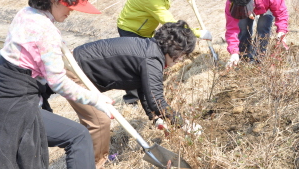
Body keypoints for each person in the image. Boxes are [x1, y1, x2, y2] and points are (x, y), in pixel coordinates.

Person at [0, 0, 113, 169]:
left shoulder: (26, 14)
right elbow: (58, 82)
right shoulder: (46, 31)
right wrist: (96, 100)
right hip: (19, 109)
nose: (71, 11)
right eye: (69, 5)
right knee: (78, 137)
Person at [67, 20, 200, 166]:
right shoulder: (152, 59)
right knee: (99, 122)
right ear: (174, 47)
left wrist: (155, 118)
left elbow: (145, 88)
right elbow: (157, 101)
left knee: (96, 121)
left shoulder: (151, 50)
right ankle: (91, 165)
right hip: (75, 71)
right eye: (182, 54)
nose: (181, 60)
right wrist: (182, 123)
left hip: (80, 69)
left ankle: (92, 157)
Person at [116, 0, 212, 104]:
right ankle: (132, 101)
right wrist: (198, 33)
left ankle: (150, 91)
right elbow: (171, 24)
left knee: (149, 60)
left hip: (146, 29)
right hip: (130, 29)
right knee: (133, 65)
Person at [225, 0, 288, 68]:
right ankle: (243, 57)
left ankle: (259, 58)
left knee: (263, 26)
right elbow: (232, 29)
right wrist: (234, 52)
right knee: (243, 26)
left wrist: (281, 31)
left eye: (245, 8)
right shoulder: (232, 1)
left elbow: (281, 12)